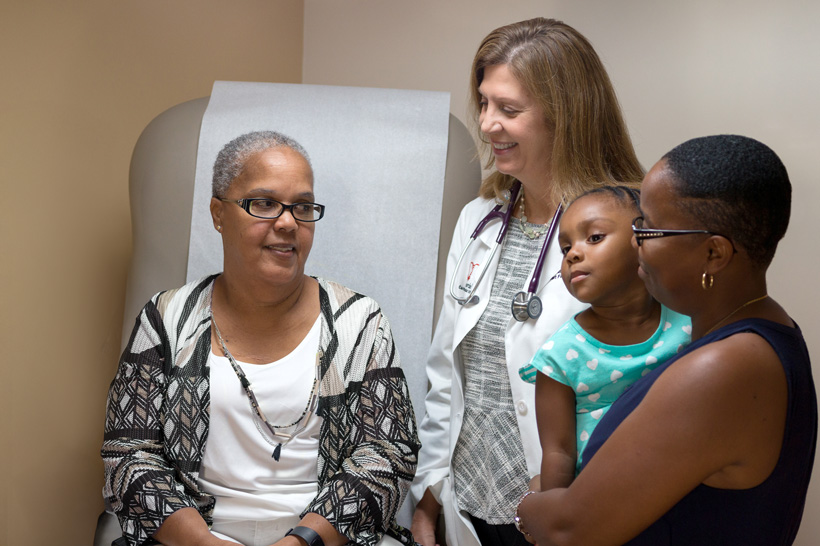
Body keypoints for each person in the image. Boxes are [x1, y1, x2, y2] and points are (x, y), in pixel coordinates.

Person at [102, 131, 420, 546]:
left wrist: (300, 542)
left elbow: (388, 455)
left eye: (302, 207)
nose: (288, 222)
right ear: (219, 213)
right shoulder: (166, 318)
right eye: (264, 203)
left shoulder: (360, 323)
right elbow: (129, 453)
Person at [514, 135, 818, 545]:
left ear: (714, 254)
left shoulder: (722, 369)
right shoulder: (765, 328)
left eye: (650, 229)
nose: (636, 242)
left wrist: (529, 505)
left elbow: (569, 530)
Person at [410, 17, 644, 546]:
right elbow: (446, 372)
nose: (488, 124)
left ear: (567, 116)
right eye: (485, 104)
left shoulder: (629, 229)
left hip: (567, 511)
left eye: (509, 110)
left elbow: (645, 387)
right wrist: (428, 492)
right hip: (468, 504)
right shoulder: (478, 219)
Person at [518, 186, 691, 488]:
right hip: (600, 504)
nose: (573, 254)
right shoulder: (560, 356)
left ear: (644, 241)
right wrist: (557, 522)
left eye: (595, 237)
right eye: (565, 247)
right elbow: (558, 453)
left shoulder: (689, 322)